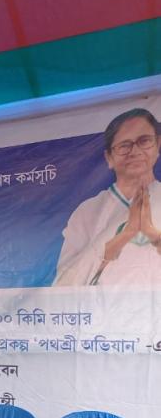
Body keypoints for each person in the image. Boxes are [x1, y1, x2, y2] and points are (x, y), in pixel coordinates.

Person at [54, 108, 161, 286]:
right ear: (109, 158)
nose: (135, 151)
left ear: (158, 145)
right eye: (124, 146)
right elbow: (63, 285)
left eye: (144, 141)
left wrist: (151, 233)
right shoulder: (88, 212)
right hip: (102, 305)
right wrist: (123, 235)